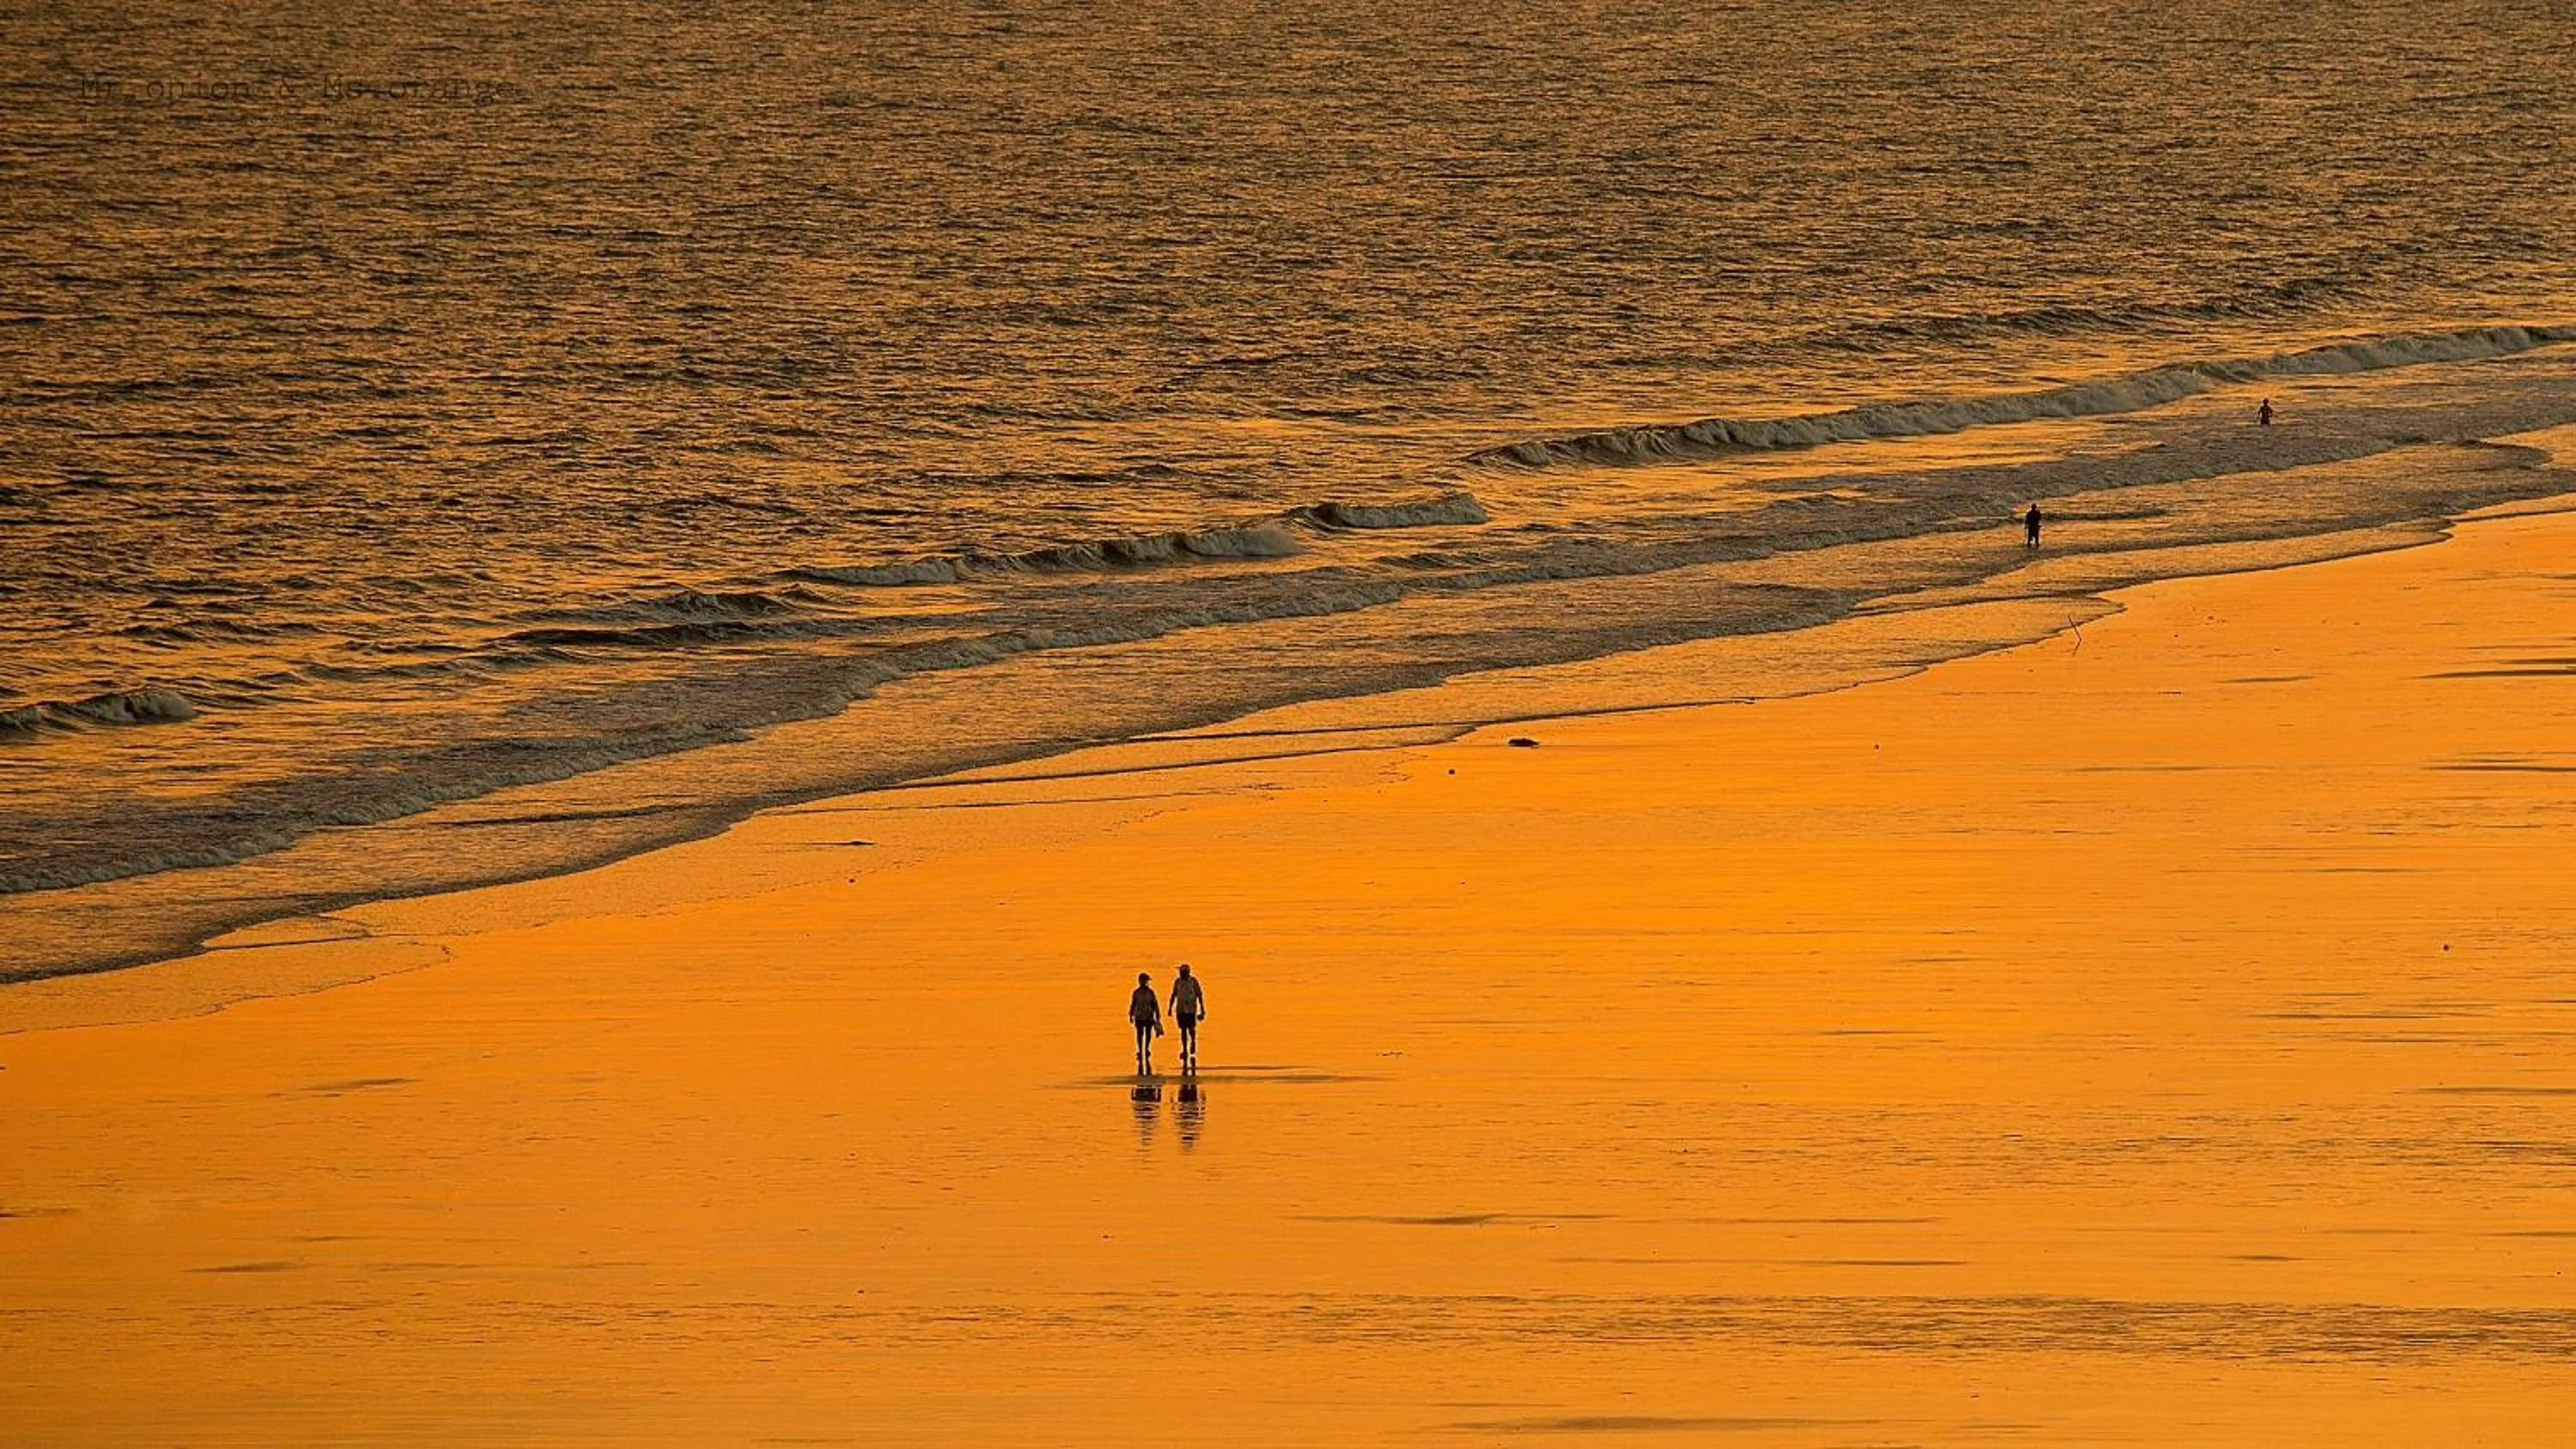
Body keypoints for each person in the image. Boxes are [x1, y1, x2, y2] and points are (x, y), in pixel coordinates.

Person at [1170, 963, 1207, 1071]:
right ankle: (1185, 1049)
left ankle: (1193, 1042)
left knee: (1191, 1029)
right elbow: (1174, 994)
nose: (1180, 973)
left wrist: (1202, 1009)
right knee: (1183, 1030)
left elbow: (1199, 995)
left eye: (1182, 972)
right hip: (1180, 1009)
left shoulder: (1193, 981)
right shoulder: (1177, 982)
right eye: (1180, 972)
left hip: (1191, 1009)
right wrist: (1170, 1007)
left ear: (1187, 972)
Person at [1128, 971, 1162, 1076]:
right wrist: (1131, 1015)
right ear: (1140, 981)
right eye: (1144, 980)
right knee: (1139, 1034)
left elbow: (1155, 1005)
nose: (1146, 982)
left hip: (1148, 1016)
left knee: (1148, 1034)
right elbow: (1133, 1004)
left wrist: (1158, 1017)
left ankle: (1146, 1049)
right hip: (1139, 1016)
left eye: (1146, 981)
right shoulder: (1136, 992)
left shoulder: (1151, 992)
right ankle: (1140, 1050)